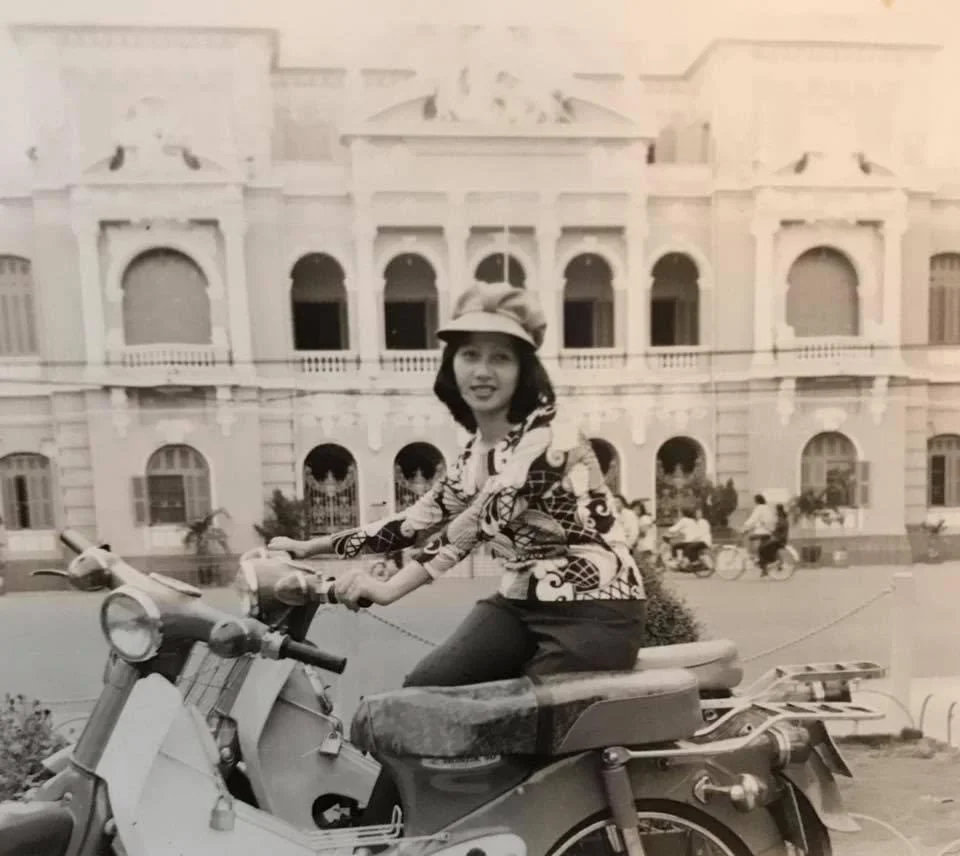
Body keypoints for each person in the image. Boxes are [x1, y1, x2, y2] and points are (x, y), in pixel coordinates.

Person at [269, 281, 646, 823]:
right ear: (452, 366)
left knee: (523, 748)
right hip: (521, 603)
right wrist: (316, 546)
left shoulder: (548, 436)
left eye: (501, 357)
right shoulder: (476, 452)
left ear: (525, 371)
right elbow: (414, 520)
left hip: (594, 613)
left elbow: (476, 522)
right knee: (422, 694)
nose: (482, 370)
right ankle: (378, 831)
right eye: (469, 354)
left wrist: (391, 588)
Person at [741, 493, 777, 576]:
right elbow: (759, 521)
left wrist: (744, 526)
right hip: (768, 532)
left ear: (757, 501)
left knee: (748, 538)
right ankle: (764, 569)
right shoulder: (767, 508)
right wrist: (750, 527)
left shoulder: (759, 508)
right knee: (762, 549)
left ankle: (752, 555)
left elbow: (753, 519)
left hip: (762, 532)